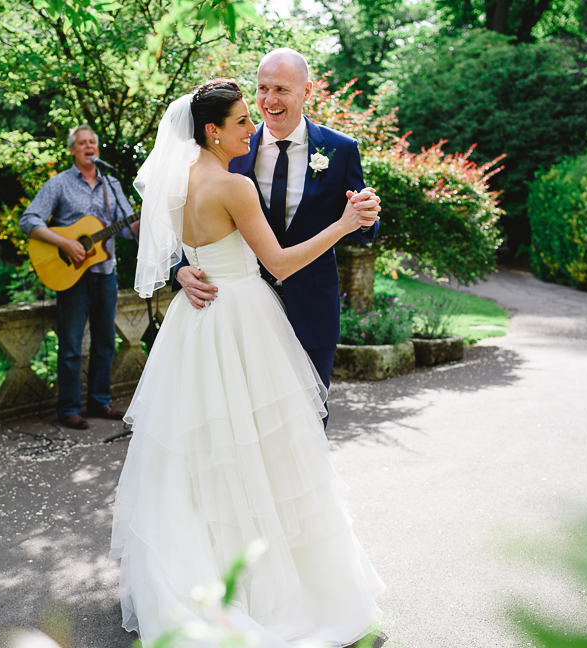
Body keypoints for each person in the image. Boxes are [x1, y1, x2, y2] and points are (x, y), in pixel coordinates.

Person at [109, 80, 384, 648]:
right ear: (213, 131)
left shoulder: (176, 181)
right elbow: (279, 264)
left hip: (195, 326)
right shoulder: (234, 185)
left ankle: (196, 581)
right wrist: (345, 225)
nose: (249, 126)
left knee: (200, 459)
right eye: (239, 120)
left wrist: (186, 270)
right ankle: (272, 594)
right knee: (262, 453)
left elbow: (177, 248)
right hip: (239, 316)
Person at [175, 48, 379, 398]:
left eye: (281, 89)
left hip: (311, 311)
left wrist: (365, 216)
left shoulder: (340, 149)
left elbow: (362, 228)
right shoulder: (232, 145)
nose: (269, 100)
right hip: (239, 314)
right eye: (262, 88)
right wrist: (181, 268)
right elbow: (192, 212)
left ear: (307, 91)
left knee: (309, 423)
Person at [19, 125, 139, 429]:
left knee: (105, 342)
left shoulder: (111, 183)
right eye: (82, 143)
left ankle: (100, 402)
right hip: (70, 275)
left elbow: (126, 229)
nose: (89, 147)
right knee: (71, 345)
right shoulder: (58, 184)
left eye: (93, 142)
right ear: (72, 150)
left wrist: (148, 216)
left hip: (105, 273)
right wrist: (65, 243)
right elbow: (29, 219)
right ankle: (69, 408)